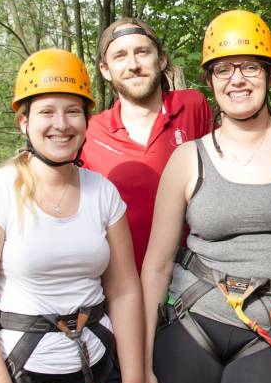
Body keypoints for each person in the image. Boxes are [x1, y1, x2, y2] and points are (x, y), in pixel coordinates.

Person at [0, 48, 145, 383]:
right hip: (18, 377)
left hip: (98, 372)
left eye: (73, 111)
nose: (61, 124)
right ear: (24, 122)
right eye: (46, 112)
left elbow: (124, 290)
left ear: (87, 120)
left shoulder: (102, 193)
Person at [140, 10, 271, 383]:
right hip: (193, 318)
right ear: (210, 81)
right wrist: (142, 362)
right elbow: (156, 265)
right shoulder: (188, 158)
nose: (236, 79)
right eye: (223, 70)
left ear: (270, 75)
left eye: (250, 67)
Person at [83, 17, 212, 272]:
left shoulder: (192, 107)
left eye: (142, 52)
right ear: (105, 69)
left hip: (193, 283)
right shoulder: (90, 132)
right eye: (120, 56)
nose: (133, 65)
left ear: (161, 60)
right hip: (119, 285)